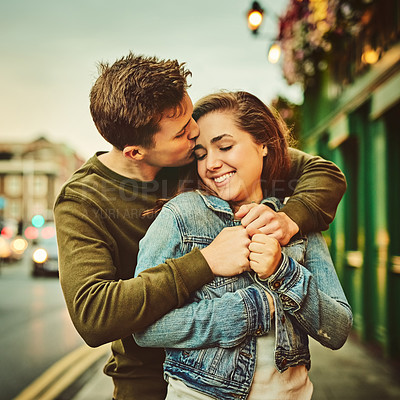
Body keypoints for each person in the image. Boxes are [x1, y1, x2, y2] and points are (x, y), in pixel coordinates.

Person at [54, 53, 347, 400]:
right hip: (148, 384)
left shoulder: (200, 152)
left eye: (190, 115)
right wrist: (206, 262)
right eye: (183, 134)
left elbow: (323, 173)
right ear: (136, 152)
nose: (195, 132)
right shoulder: (83, 201)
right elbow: (94, 314)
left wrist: (287, 221)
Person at [133, 91, 353, 400]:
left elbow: (338, 329)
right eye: (199, 154)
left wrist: (283, 272)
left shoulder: (294, 222)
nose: (211, 163)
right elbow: (146, 329)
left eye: (225, 146)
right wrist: (246, 311)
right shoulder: (180, 217)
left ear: (262, 143)